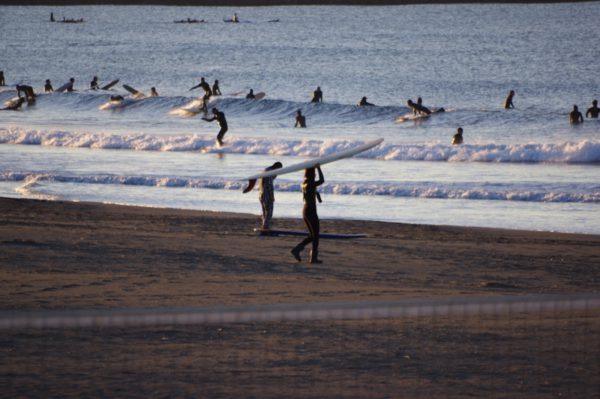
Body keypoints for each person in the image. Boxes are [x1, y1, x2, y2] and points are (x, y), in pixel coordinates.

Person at [291, 165, 325, 264]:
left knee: (313, 235)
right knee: (316, 235)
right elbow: (322, 180)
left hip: (306, 210)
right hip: (311, 211)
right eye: (314, 173)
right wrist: (319, 168)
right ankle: (312, 258)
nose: (315, 174)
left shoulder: (304, 184)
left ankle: (297, 249)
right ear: (312, 174)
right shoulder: (310, 183)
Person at [259, 162, 283, 231]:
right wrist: (272, 196)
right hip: (266, 194)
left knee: (265, 212)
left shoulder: (266, 170)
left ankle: (264, 226)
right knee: (269, 211)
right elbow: (269, 186)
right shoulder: (270, 172)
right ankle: (266, 227)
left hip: (261, 193)